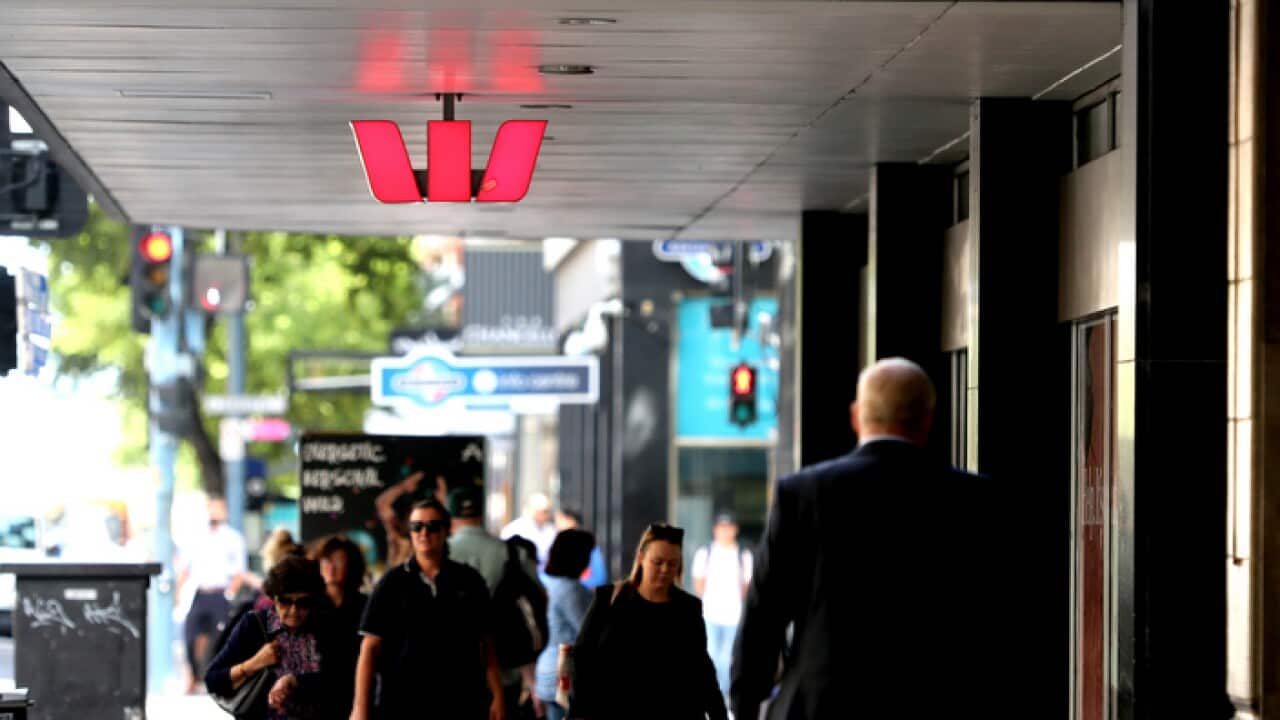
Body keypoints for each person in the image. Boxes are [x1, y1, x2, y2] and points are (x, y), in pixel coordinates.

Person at [731, 357, 1006, 719]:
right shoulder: (976, 502)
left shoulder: (803, 494)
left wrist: (746, 703)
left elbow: (764, 614)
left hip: (822, 706)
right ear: (927, 418)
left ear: (856, 415)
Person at [352, 499, 505, 720]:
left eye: (433, 526)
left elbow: (487, 644)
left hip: (462, 702)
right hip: (402, 704)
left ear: (446, 529)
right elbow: (369, 648)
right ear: (410, 532)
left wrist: (498, 695)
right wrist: (360, 709)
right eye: (417, 526)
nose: (424, 533)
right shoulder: (391, 583)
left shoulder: (469, 580)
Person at [570, 524, 726, 720]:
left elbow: (701, 667)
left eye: (672, 563)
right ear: (641, 557)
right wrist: (579, 711)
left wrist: (718, 714)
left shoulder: (688, 608)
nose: (665, 570)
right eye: (658, 562)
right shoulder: (610, 599)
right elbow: (582, 655)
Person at [205, 554, 339, 719]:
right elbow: (212, 680)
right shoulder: (254, 625)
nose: (293, 610)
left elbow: (338, 680)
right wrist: (254, 663)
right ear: (273, 599)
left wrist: (295, 681)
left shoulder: (324, 626)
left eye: (303, 602)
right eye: (285, 601)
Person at [447, 485, 538, 719]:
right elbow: (536, 602)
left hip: (450, 672)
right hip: (506, 665)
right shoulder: (513, 553)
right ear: (483, 513)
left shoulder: (439, 554)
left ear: (451, 516)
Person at [180, 496, 248, 693]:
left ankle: (215, 678)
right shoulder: (197, 537)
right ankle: (194, 675)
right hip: (200, 593)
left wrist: (229, 593)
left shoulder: (233, 538)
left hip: (221, 595)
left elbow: (239, 572)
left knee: (220, 637)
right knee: (190, 634)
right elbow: (186, 568)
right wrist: (178, 591)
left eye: (218, 509)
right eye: (211, 508)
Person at [533, 529, 595, 720]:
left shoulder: (547, 581)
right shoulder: (571, 590)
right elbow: (589, 631)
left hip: (547, 670)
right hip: (564, 673)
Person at [692, 512, 751, 703]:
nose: (725, 532)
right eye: (721, 528)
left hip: (733, 614)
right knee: (710, 655)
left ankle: (722, 696)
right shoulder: (706, 552)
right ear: (715, 530)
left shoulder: (743, 554)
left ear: (735, 530)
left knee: (726, 658)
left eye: (729, 528)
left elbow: (747, 586)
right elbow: (698, 581)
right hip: (710, 613)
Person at [312, 535, 368, 713]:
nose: (331, 567)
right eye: (326, 561)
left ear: (351, 566)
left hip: (354, 689)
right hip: (316, 690)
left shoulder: (365, 604)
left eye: (338, 561)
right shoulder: (309, 605)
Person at [552, 509, 608, 589]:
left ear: (573, 521)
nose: (557, 526)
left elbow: (600, 579)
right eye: (556, 522)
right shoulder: (556, 549)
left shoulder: (589, 548)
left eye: (561, 521)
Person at [500, 493, 557, 568]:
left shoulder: (551, 530)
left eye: (547, 511)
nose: (547, 515)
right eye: (544, 511)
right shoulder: (514, 528)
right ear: (533, 510)